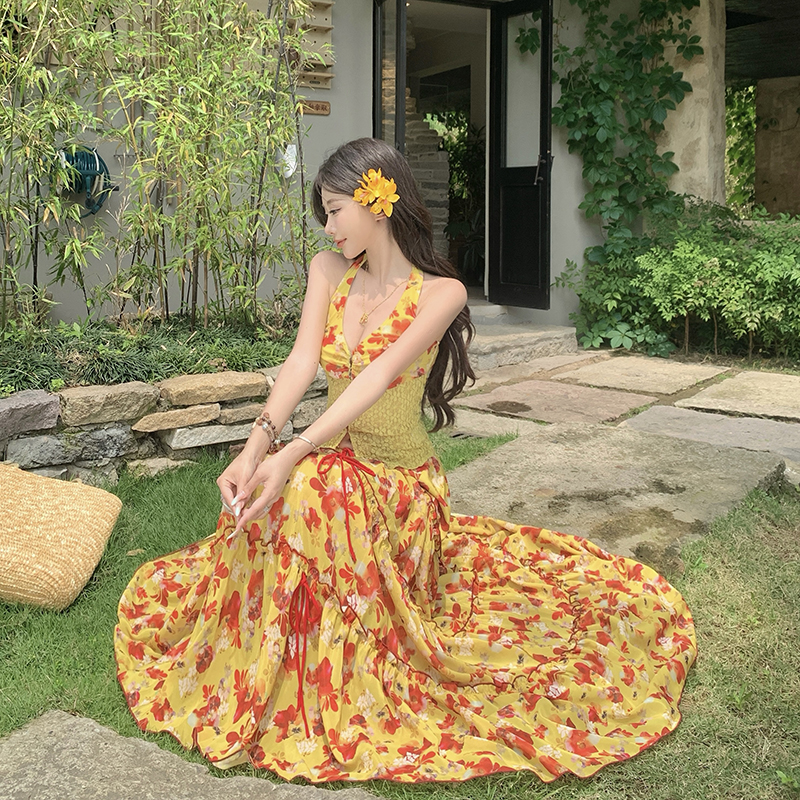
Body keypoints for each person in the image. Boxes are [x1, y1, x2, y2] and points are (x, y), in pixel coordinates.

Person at [115, 137, 696, 783]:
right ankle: (269, 667)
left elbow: (377, 376)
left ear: (378, 202)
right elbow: (302, 362)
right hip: (333, 470)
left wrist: (295, 450)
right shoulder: (327, 271)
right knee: (286, 494)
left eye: (336, 210)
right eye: (324, 215)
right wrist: (255, 450)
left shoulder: (442, 293)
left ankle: (317, 675)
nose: (328, 227)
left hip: (400, 485)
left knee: (307, 489)